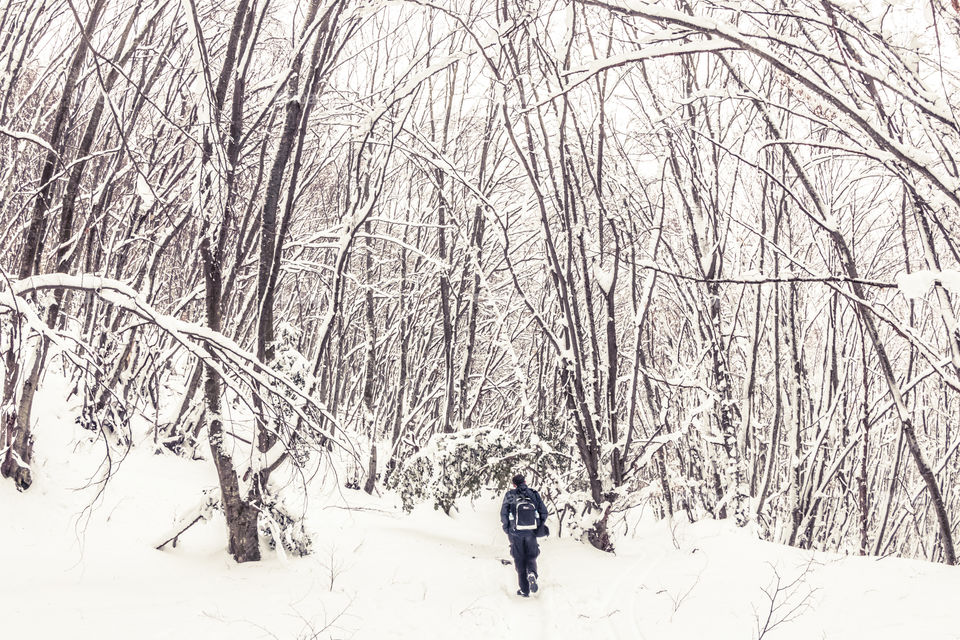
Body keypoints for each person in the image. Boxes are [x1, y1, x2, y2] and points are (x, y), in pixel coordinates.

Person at [500, 473, 548, 597]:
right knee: (531, 556)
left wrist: (507, 528)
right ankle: (532, 573)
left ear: (514, 484)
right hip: (531, 532)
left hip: (515, 532)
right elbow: (544, 512)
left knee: (519, 558)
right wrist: (539, 526)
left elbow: (504, 513)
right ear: (525, 482)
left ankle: (524, 590)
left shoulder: (510, 495)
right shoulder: (533, 494)